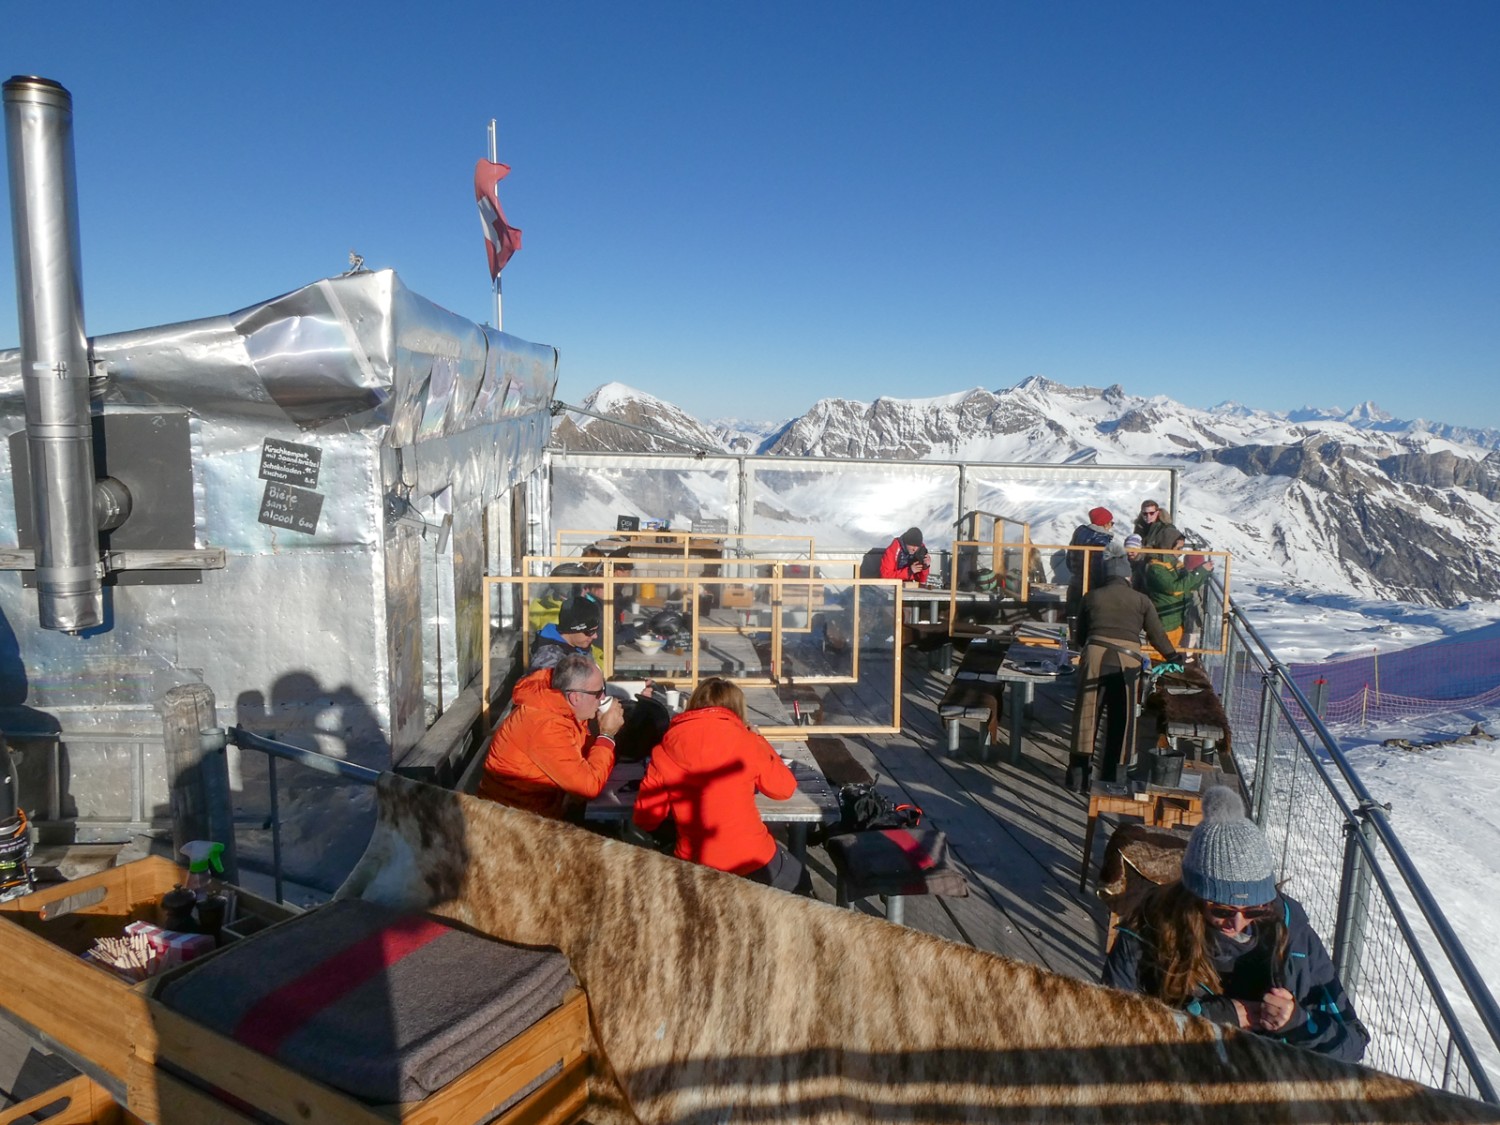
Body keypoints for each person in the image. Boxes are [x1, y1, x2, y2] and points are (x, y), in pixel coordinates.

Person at [1102, 787, 1369, 1063]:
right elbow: (1110, 1028)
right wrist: (1207, 1018)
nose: (1238, 922)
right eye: (1222, 909)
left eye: (1254, 909)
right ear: (1195, 896)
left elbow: (1353, 1043)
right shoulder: (1147, 931)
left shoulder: (1293, 933)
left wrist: (1298, 1023)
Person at [632, 677, 813, 894]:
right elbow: (784, 789)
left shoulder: (665, 747)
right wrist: (760, 740)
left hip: (695, 863)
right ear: (737, 709)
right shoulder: (747, 741)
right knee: (801, 884)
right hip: (751, 859)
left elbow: (647, 819)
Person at [1066, 549, 1181, 792]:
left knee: (1087, 717)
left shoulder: (1091, 596)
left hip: (1095, 657)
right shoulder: (1141, 600)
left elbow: (1079, 637)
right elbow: (1157, 634)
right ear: (1128, 577)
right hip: (1127, 663)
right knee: (1123, 721)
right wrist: (1173, 656)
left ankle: (1078, 780)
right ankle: (1111, 779)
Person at [477, 653, 623, 819]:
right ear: (575, 697)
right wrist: (607, 735)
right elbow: (587, 787)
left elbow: (578, 752)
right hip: (513, 823)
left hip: (537, 810)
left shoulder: (558, 705)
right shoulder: (545, 725)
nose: (603, 698)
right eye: (598, 693)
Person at [1143, 531, 1215, 649]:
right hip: (1164, 623)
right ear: (1167, 546)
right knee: (1160, 660)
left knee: (1172, 660)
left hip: (1177, 621)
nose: (1180, 552)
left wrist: (1202, 574)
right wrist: (1199, 571)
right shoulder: (1156, 568)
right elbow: (1174, 588)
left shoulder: (1174, 563)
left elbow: (1189, 586)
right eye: (1178, 548)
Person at [1065, 507, 1115, 648]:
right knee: (1092, 623)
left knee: (1075, 620)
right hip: (1092, 588)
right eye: (1111, 522)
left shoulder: (1079, 534)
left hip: (1075, 583)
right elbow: (1099, 568)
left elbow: (1069, 560)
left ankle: (1074, 647)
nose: (1111, 526)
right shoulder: (1101, 541)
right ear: (1105, 523)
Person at [529, 596, 602, 671]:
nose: (595, 636)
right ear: (572, 630)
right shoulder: (548, 661)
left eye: (596, 630)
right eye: (590, 632)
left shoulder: (581, 647)